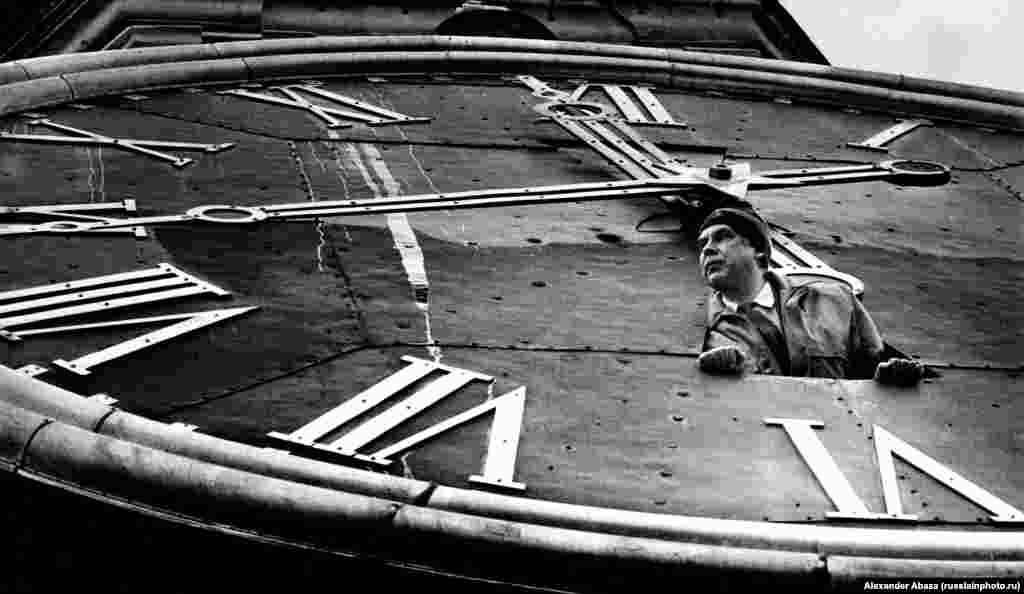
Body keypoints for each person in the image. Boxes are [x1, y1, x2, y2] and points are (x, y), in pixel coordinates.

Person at [696, 207, 924, 385]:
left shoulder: (834, 301)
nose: (707, 249)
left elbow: (870, 367)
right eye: (703, 244)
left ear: (759, 251)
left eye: (722, 237)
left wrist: (889, 379)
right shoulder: (697, 329)